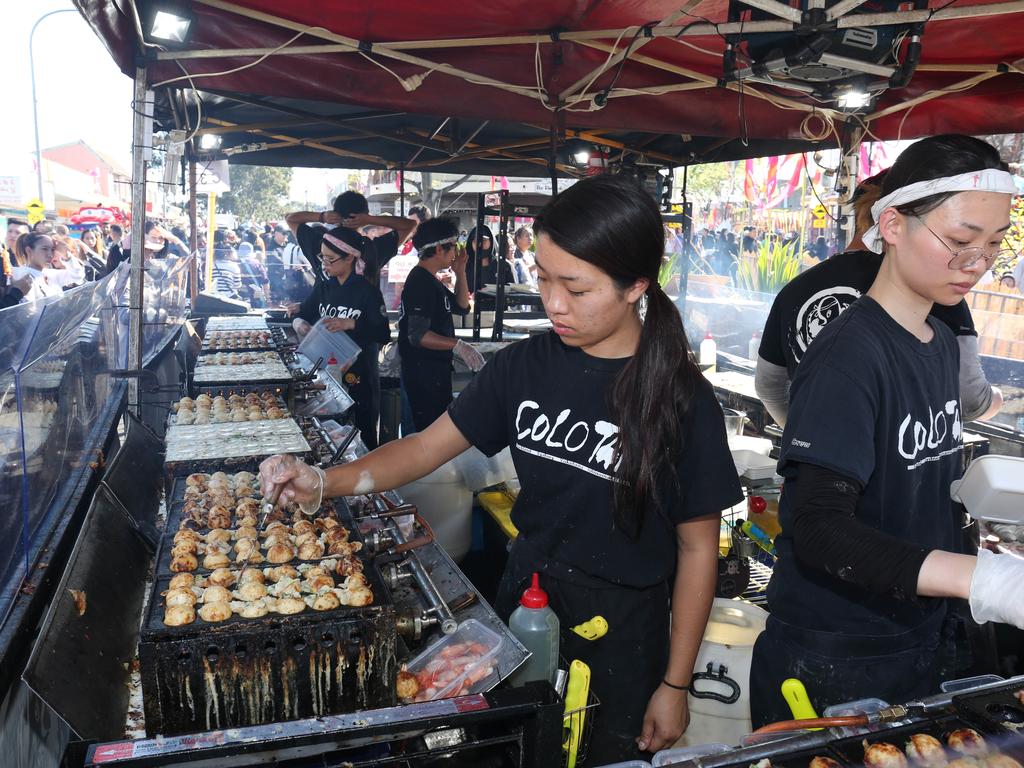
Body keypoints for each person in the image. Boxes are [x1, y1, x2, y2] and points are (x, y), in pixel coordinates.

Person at [258, 175, 743, 765]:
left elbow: (699, 550)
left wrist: (674, 684)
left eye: (577, 287)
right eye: (542, 276)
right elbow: (422, 448)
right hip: (526, 606)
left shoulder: (680, 397)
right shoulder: (525, 366)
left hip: (626, 633)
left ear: (636, 285)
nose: (553, 302)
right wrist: (322, 481)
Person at [749, 134, 1024, 728]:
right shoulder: (848, 354)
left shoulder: (941, 343)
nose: (976, 265)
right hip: (840, 647)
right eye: (959, 241)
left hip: (918, 626)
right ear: (892, 224)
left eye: (994, 244)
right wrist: (989, 581)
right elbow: (820, 530)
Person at [755, 168, 1003, 425]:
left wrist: (800, 436)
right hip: (901, 457)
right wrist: (996, 400)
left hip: (821, 454)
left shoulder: (795, 289)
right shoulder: (932, 289)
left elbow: (768, 386)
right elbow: (970, 399)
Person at [291, 228, 391, 449]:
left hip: (361, 375)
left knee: (363, 434)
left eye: (330, 259)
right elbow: (302, 313)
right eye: (322, 257)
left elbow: (383, 332)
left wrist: (352, 323)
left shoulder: (368, 291)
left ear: (349, 258)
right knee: (330, 435)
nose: (324, 264)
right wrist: (301, 324)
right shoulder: (325, 288)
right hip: (328, 375)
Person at [397, 217, 479, 431]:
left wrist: (460, 271)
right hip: (422, 376)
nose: (456, 253)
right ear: (440, 249)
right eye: (453, 247)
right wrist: (458, 345)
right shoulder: (420, 282)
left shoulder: (431, 280)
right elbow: (418, 335)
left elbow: (462, 306)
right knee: (422, 440)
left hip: (434, 374)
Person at [286, 192, 415, 287]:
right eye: (327, 258)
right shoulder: (372, 248)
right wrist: (370, 219)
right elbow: (409, 225)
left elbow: (291, 219)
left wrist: (322, 217)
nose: (326, 264)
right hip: (364, 320)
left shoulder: (321, 244)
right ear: (365, 213)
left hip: (325, 320)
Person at [10, 233, 63, 303]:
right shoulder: (22, 275)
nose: (50, 255)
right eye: (44, 249)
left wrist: (66, 254)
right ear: (29, 251)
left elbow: (77, 276)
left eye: (52, 250)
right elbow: (28, 310)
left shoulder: (49, 273)